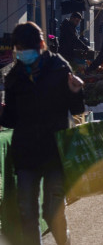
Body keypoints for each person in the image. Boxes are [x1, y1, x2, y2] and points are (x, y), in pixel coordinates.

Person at [0, 22, 84, 245]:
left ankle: (63, 242)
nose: (23, 52)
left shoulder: (59, 67)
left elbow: (76, 110)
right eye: (19, 47)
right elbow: (10, 120)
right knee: (27, 212)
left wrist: (76, 92)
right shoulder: (14, 76)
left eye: (27, 47)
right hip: (26, 153)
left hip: (55, 150)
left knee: (52, 212)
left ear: (40, 45)